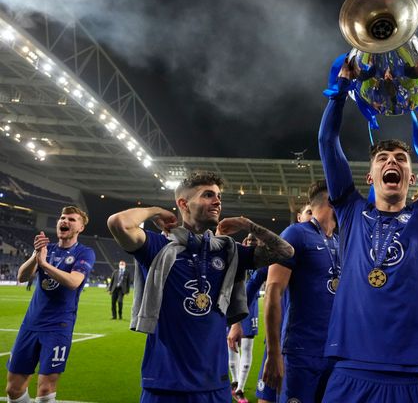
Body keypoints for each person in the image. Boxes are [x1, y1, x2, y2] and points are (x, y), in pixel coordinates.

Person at [318, 53, 418, 401]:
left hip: (416, 375)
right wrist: (341, 87)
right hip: (351, 369)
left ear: (412, 178)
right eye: (382, 159)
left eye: (401, 159)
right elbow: (327, 142)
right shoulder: (350, 210)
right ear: (370, 176)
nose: (392, 162)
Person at [106, 171, 294, 403]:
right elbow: (117, 223)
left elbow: (285, 251)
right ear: (183, 203)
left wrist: (248, 224)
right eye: (208, 195)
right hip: (165, 384)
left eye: (218, 196)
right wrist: (156, 210)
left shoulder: (226, 251)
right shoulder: (157, 246)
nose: (217, 201)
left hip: (215, 385)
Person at [6, 206, 96, 403]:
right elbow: (22, 276)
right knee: (13, 388)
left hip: (58, 326)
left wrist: (45, 264)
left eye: (72, 219)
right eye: (62, 218)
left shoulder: (85, 253)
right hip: (30, 324)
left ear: (80, 227)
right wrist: (36, 255)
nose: (65, 221)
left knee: (46, 388)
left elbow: (73, 282)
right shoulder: (47, 249)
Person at [261, 180, 339, 402]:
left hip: (335, 353)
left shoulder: (341, 241)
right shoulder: (295, 234)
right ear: (333, 201)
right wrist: (274, 353)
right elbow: (273, 291)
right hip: (300, 353)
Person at [228, 234, 269, 403]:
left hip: (250, 309)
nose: (251, 242)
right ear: (244, 243)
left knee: (246, 349)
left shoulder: (263, 261)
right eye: (249, 240)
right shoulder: (237, 257)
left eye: (255, 240)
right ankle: (234, 381)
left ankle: (240, 389)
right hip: (231, 307)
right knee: (232, 348)